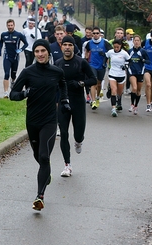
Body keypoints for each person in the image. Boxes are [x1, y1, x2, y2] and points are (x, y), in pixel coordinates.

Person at [9, 39, 70, 211]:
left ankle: (40, 197)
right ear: (34, 53)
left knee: (44, 156)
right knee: (38, 156)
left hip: (50, 120)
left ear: (48, 53)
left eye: (43, 50)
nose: (40, 54)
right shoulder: (28, 72)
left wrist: (64, 100)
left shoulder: (56, 72)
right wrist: (25, 93)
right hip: (32, 121)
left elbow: (63, 84)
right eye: (37, 51)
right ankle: (46, 173)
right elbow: (13, 94)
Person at [55, 36, 97, 177]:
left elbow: (93, 79)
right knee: (64, 134)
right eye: (65, 44)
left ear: (73, 47)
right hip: (63, 102)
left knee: (78, 134)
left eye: (70, 45)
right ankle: (67, 165)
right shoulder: (57, 63)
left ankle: (78, 142)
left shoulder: (81, 62)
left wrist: (81, 83)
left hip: (78, 101)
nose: (67, 47)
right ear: (61, 47)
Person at [0, 19, 28, 98]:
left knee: (13, 75)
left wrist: (21, 49)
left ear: (14, 25)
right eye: (9, 25)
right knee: (6, 74)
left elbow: (26, 44)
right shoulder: (4, 34)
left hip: (15, 57)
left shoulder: (18, 34)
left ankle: (13, 82)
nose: (10, 27)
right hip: (7, 57)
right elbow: (1, 42)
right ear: (7, 26)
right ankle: (6, 92)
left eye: (11, 25)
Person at [84, 26, 112, 110]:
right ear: (92, 34)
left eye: (97, 33)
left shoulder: (105, 43)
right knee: (94, 82)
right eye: (94, 33)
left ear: (100, 34)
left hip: (102, 65)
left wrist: (104, 55)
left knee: (99, 83)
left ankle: (97, 97)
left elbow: (111, 52)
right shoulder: (89, 43)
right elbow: (86, 51)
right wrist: (86, 60)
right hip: (92, 65)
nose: (95, 35)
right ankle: (93, 101)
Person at [105, 39, 130, 117]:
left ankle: (118, 101)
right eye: (115, 47)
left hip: (121, 75)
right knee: (114, 91)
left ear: (120, 46)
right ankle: (113, 108)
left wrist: (125, 66)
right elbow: (105, 57)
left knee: (119, 93)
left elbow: (129, 61)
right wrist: (104, 64)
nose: (116, 48)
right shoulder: (110, 52)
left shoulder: (124, 53)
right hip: (112, 73)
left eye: (117, 47)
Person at [127, 35, 150, 115]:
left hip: (140, 72)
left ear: (140, 42)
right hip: (132, 71)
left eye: (138, 41)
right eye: (135, 40)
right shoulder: (130, 51)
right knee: (134, 88)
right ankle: (132, 104)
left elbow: (148, 61)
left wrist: (142, 59)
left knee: (138, 91)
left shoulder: (143, 51)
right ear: (133, 42)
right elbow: (126, 60)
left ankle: (136, 106)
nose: (136, 42)